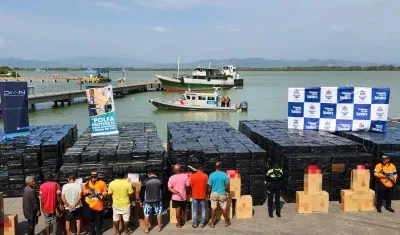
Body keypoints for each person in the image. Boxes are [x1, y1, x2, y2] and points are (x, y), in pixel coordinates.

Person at [108, 169, 134, 235]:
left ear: (116, 176)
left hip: (116, 204)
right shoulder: (128, 183)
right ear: (124, 176)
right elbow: (131, 194)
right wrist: (132, 201)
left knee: (115, 218)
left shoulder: (111, 183)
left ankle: (117, 232)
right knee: (126, 219)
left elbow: (109, 195)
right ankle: (126, 231)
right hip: (126, 204)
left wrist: (109, 202)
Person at [139, 168, 164, 234]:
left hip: (148, 201)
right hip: (158, 200)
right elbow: (163, 190)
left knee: (146, 214)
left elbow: (141, 192)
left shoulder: (144, 181)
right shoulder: (160, 180)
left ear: (148, 174)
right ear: (155, 173)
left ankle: (147, 229)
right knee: (159, 213)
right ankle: (159, 227)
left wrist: (141, 200)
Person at [208, 162, 231, 228]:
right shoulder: (225, 175)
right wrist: (228, 192)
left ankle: (212, 223)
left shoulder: (211, 175)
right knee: (224, 208)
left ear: (215, 167)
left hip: (214, 193)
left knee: (213, 208)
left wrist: (208, 193)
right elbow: (227, 186)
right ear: (220, 167)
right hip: (222, 193)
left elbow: (209, 186)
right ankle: (226, 222)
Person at [168, 164, 190, 228]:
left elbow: (169, 188)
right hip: (183, 196)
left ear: (174, 170)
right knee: (183, 210)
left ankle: (178, 222)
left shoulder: (171, 178)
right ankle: (182, 220)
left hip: (175, 197)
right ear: (180, 169)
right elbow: (188, 185)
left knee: (177, 210)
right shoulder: (185, 176)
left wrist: (176, 192)